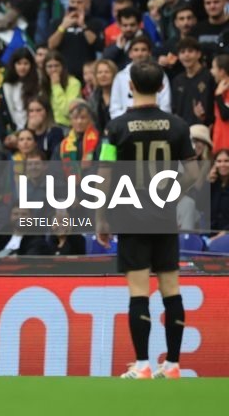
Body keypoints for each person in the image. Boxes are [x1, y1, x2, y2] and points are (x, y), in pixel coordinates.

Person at [99, 60, 197, 379]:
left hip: (130, 215)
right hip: (164, 216)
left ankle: (142, 364)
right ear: (162, 87)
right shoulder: (179, 126)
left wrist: (102, 217)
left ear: (129, 87)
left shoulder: (116, 127)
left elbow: (104, 174)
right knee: (171, 289)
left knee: (139, 291)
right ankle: (172, 365)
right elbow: (194, 172)